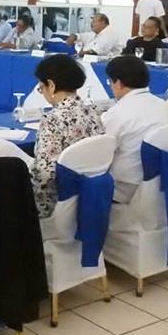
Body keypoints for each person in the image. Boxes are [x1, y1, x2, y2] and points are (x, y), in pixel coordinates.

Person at [31, 55, 105, 218]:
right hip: (87, 194)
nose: (42, 92)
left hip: (58, 202)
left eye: (41, 88)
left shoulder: (52, 120)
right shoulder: (93, 112)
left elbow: (45, 174)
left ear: (51, 85)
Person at [102, 56, 168, 203]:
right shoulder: (162, 105)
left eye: (110, 82)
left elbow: (101, 154)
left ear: (118, 83)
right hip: (160, 182)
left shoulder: (117, 113)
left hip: (124, 188)